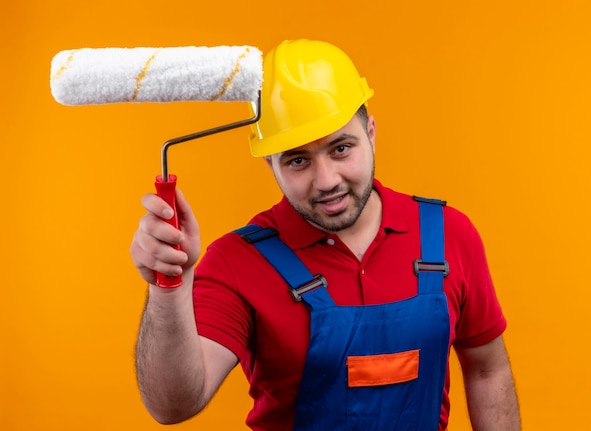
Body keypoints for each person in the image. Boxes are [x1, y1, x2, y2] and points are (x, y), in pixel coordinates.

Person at [130, 38, 520, 430]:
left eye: (341, 149)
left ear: (370, 132)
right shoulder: (237, 261)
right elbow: (174, 405)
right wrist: (169, 287)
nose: (326, 180)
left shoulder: (449, 234)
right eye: (298, 160)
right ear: (271, 164)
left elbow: (488, 371)